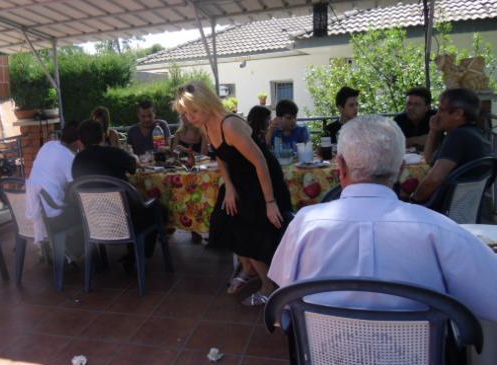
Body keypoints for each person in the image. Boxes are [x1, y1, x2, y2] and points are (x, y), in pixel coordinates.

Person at [268, 115, 497, 325]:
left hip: (322, 356)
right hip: (414, 357)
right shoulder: (440, 230)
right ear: (401, 168)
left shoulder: (304, 224)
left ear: (341, 167)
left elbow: (282, 309)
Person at [174, 81, 292, 306]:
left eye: (193, 111)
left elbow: (260, 162)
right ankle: (248, 269)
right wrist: (228, 187)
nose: (190, 118)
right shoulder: (206, 123)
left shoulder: (229, 125)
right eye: (185, 113)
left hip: (262, 178)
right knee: (224, 220)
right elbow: (221, 156)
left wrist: (270, 202)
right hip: (239, 179)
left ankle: (268, 287)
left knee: (249, 231)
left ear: (206, 103)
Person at [71, 120, 159, 266]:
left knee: (132, 208)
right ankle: (138, 257)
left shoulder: (77, 161)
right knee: (157, 209)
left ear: (80, 141)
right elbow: (133, 167)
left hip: (94, 222)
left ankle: (132, 255)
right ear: (103, 137)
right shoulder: (114, 153)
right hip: (125, 221)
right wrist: (134, 157)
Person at [411, 88, 491, 203]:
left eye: (441, 110)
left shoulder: (458, 137)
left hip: (442, 208)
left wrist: (413, 199)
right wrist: (433, 131)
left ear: (458, 114)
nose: (437, 115)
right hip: (462, 206)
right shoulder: (475, 133)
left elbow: (433, 180)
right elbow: (428, 161)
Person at [25, 121, 83, 260]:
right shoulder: (70, 157)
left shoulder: (48, 145)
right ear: (77, 143)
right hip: (53, 216)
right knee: (86, 214)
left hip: (36, 210)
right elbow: (75, 188)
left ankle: (64, 249)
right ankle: (76, 252)